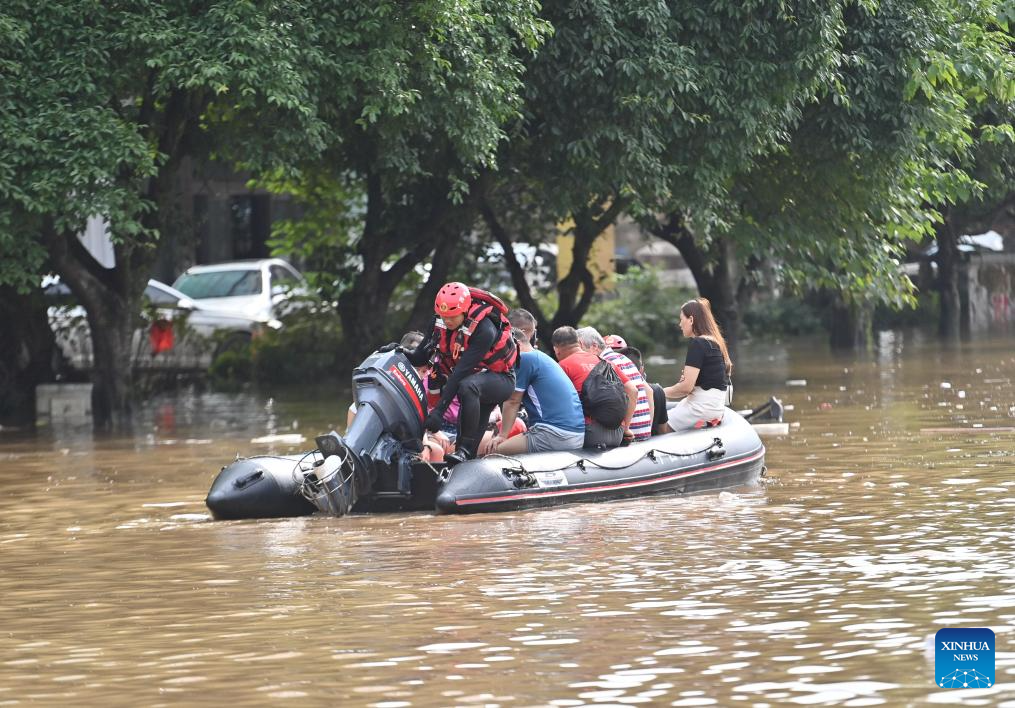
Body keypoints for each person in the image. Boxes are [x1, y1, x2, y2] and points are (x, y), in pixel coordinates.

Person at [405, 282, 517, 465]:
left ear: (465, 311)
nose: (447, 321)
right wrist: (400, 353)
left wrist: (439, 412)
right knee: (469, 389)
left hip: (501, 380)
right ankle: (464, 457)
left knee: (468, 386)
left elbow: (460, 372)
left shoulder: (484, 329)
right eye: (444, 316)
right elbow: (420, 356)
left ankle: (464, 450)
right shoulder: (438, 321)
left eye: (453, 316)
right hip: (473, 384)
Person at [488, 310, 585, 455]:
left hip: (554, 433)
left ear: (516, 343)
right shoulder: (541, 357)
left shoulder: (524, 359)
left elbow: (513, 401)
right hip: (576, 434)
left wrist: (502, 436)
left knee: (493, 451)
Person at [661, 297, 732, 431]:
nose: (680, 324)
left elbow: (685, 388)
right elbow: (704, 381)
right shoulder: (716, 343)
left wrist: (658, 393)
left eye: (681, 319)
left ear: (691, 320)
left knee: (658, 427)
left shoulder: (698, 343)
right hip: (714, 408)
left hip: (700, 408)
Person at [576, 327, 654, 442]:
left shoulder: (602, 364)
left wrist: (626, 428)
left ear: (594, 346)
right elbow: (649, 391)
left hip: (629, 435)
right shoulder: (624, 359)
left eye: (580, 350)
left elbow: (632, 391)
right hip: (643, 432)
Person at [552, 325, 624, 449]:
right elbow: (633, 390)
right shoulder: (606, 362)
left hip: (589, 434)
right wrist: (626, 428)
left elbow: (556, 404)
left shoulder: (562, 366)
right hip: (618, 433)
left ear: (556, 349)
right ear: (579, 343)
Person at [618, 345, 668, 436]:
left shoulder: (619, 392)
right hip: (649, 440)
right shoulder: (657, 390)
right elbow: (663, 430)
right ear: (641, 368)